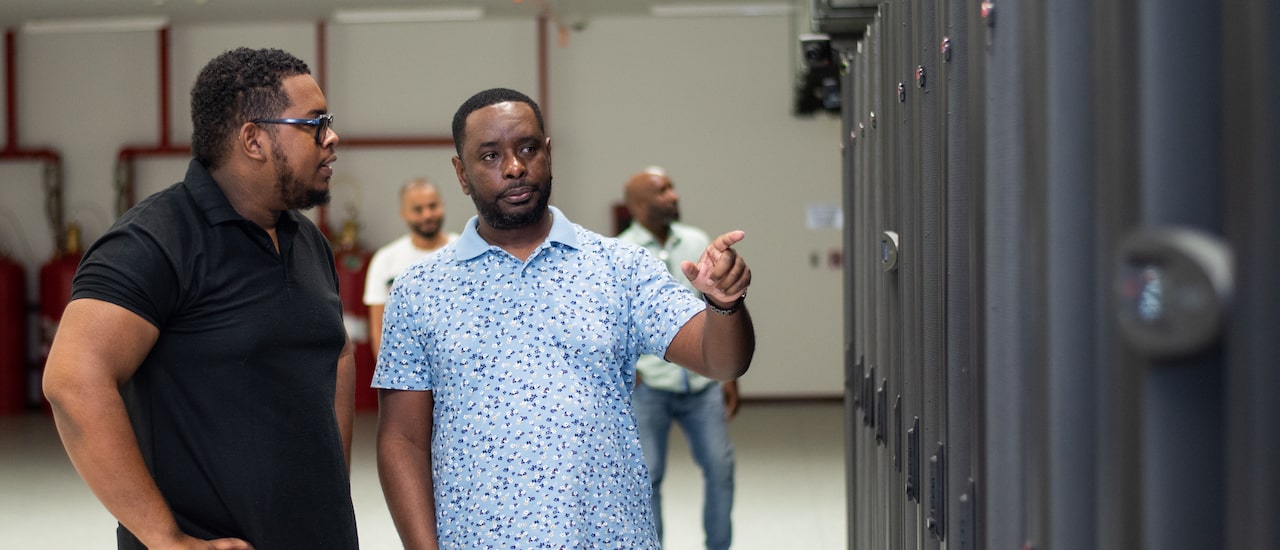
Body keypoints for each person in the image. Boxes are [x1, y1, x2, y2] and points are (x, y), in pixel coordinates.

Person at [374, 87, 756, 549]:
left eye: (528, 149)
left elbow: (721, 360)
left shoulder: (620, 267)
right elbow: (402, 440)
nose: (514, 167)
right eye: (490, 155)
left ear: (548, 155)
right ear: (461, 172)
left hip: (611, 537)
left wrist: (725, 304)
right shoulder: (419, 290)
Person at [41, 47, 359, 549]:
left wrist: (329, 485)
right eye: (314, 123)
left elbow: (336, 351)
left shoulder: (306, 239)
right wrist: (166, 539)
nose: (332, 137)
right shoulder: (154, 240)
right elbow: (73, 382)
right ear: (254, 139)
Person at [617, 166, 739, 550]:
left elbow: (715, 311)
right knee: (648, 477)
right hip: (650, 387)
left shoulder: (697, 242)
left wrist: (729, 375)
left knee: (720, 469)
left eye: (671, 188)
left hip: (702, 384)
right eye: (662, 190)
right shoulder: (622, 252)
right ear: (638, 205)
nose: (673, 195)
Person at [363, 178, 459, 357]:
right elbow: (378, 329)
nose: (427, 215)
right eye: (417, 209)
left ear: (443, 205)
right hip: (407, 367)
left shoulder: (464, 251)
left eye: (433, 206)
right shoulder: (385, 260)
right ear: (404, 213)